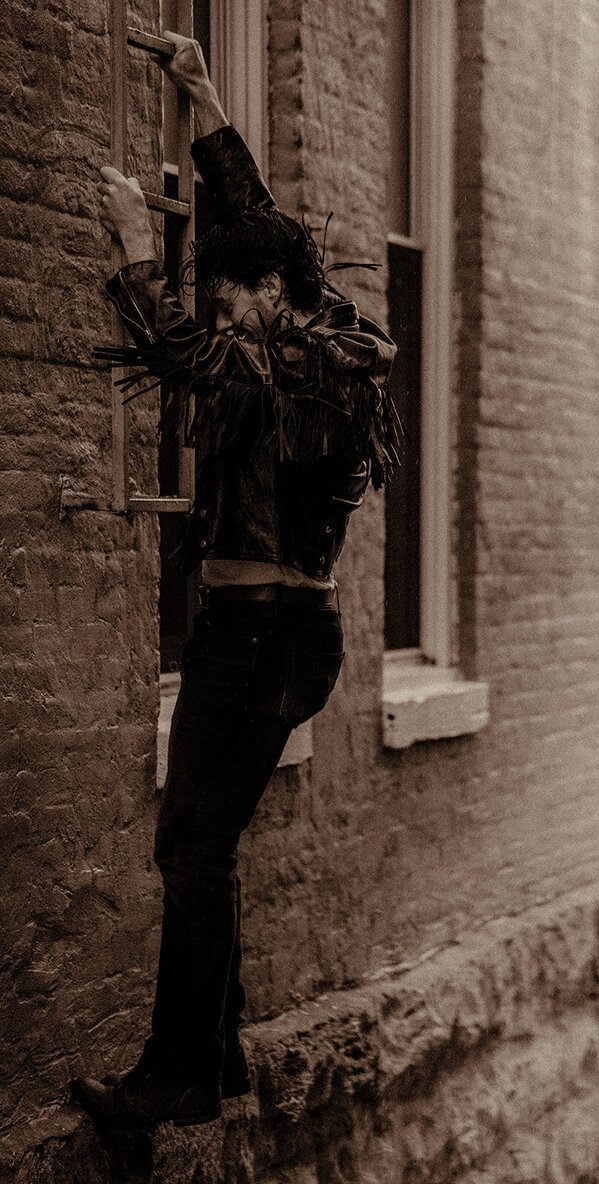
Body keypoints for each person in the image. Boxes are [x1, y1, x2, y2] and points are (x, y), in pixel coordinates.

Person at [70, 33, 401, 1130]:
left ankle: (178, 1073)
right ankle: (216, 1058)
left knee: (192, 846)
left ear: (264, 294)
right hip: (283, 636)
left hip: (253, 636)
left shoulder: (279, 358)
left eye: (226, 293)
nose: (216, 308)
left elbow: (190, 356)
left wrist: (132, 252)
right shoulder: (336, 334)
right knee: (206, 842)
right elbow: (275, 247)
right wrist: (205, 104)